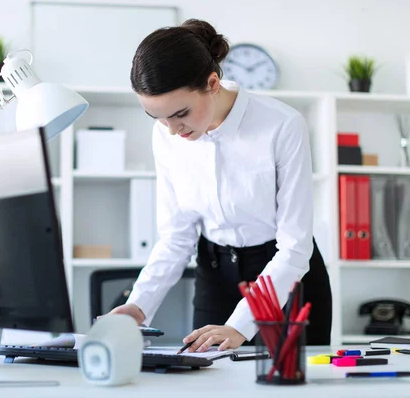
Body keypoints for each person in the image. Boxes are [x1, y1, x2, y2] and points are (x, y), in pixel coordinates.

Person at [107, 19, 332, 353]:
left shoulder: (282, 126)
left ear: (212, 83)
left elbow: (296, 248)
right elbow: (177, 236)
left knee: (289, 385)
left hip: (285, 274)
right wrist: (139, 305)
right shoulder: (167, 136)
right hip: (214, 269)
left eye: (180, 113)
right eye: (158, 118)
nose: (171, 130)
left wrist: (240, 325)